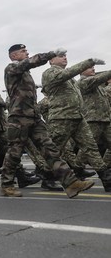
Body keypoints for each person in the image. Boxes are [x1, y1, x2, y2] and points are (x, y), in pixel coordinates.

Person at [1, 44, 94, 198]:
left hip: (34, 117)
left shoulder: (26, 74)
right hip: (18, 118)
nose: (27, 53)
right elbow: (30, 62)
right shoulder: (11, 68)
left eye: (27, 51)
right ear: (13, 56)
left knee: (50, 149)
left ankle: (71, 183)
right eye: (23, 51)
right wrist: (50, 54)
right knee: (14, 153)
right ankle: (7, 185)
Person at [42, 52, 111, 190]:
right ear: (51, 60)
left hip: (78, 117)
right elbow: (67, 73)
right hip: (62, 117)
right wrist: (88, 61)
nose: (64, 57)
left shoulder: (70, 79)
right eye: (61, 56)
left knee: (91, 148)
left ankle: (106, 179)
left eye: (65, 56)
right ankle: (46, 177)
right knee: (55, 150)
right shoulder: (49, 73)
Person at [79, 65, 111, 177]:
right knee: (88, 148)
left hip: (105, 120)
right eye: (90, 68)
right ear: (81, 70)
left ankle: (106, 169)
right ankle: (78, 169)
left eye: (93, 67)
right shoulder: (83, 82)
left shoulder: (98, 86)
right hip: (93, 120)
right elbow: (99, 79)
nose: (93, 69)